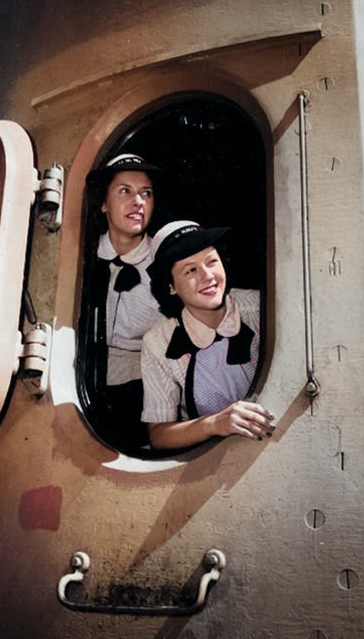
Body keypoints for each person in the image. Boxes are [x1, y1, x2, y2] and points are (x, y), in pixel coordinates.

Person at [141, 220, 274, 450]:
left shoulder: (262, 307)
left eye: (212, 261)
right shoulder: (157, 342)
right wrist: (214, 424)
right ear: (171, 286)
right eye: (190, 270)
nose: (207, 276)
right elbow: (158, 435)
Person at [84, 153, 162, 451]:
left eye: (146, 193)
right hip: (83, 379)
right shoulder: (82, 256)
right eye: (125, 191)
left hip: (145, 387)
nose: (138, 201)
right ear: (104, 203)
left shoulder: (168, 259)